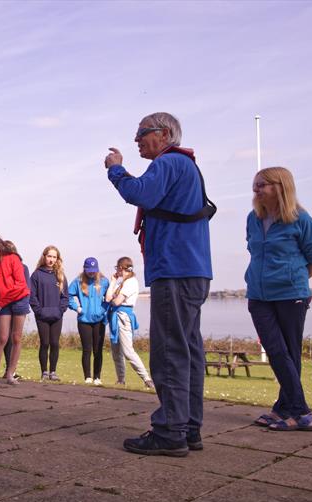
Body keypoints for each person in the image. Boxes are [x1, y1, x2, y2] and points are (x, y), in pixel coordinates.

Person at [105, 112, 214, 457]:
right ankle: (188, 426)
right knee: (189, 350)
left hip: (175, 270)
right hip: (193, 271)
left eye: (141, 133)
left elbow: (141, 194)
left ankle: (169, 431)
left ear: (165, 134)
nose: (137, 139)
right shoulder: (186, 167)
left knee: (169, 352)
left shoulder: (167, 163)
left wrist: (115, 168)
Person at [246, 167, 312, 431]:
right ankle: (294, 409)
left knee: (288, 354)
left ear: (281, 186)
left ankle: (292, 411)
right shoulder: (253, 218)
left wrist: (295, 280)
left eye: (262, 185)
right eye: (255, 185)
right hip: (258, 296)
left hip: (291, 296)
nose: (256, 190)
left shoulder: (301, 219)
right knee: (278, 352)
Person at [0, 234, 30, 385]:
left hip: (19, 299)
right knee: (3, 338)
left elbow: (20, 285)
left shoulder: (13, 259)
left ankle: (10, 374)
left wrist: (1, 302)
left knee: (16, 338)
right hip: (3, 302)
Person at [105, 257, 153, 389]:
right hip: (116, 316)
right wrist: (113, 282)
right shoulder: (122, 282)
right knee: (116, 351)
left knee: (128, 351)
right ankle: (121, 380)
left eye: (117, 268)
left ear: (121, 268)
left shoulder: (131, 282)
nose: (116, 271)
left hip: (123, 317)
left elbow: (115, 301)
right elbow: (109, 298)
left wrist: (113, 295)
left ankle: (147, 379)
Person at [68, 257, 109, 385]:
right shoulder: (78, 282)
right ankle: (88, 377)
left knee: (98, 350)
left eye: (94, 270)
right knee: (87, 350)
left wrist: (104, 310)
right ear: (85, 269)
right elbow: (67, 296)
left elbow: (110, 297)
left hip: (99, 320)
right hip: (84, 321)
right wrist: (77, 308)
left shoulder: (104, 281)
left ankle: (97, 377)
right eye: (89, 270)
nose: (91, 272)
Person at [30, 245, 68, 381]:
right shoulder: (36, 275)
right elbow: (32, 296)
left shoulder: (61, 276)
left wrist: (60, 311)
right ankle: (44, 372)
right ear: (44, 256)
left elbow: (65, 297)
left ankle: (53, 372)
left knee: (55, 343)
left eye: (54, 257)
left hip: (56, 315)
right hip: (42, 316)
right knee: (45, 343)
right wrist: (39, 311)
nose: (51, 259)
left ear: (57, 259)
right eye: (49, 256)